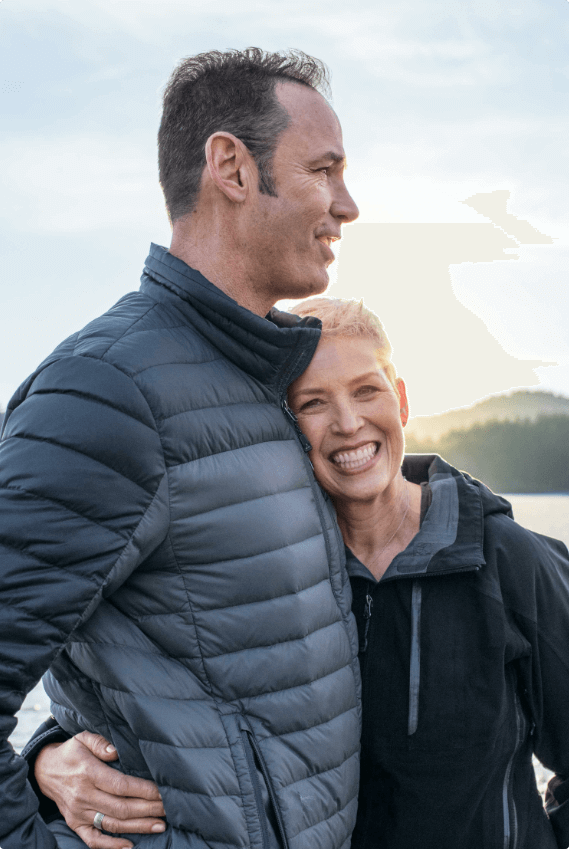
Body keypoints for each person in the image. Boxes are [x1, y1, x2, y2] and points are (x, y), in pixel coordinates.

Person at [38, 297, 569, 849]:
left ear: (402, 401)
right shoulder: (254, 571)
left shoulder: (509, 559)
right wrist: (48, 758)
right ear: (282, 429)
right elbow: (151, 702)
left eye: (367, 390)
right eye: (313, 402)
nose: (347, 422)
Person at [0, 49, 361, 849]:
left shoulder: (262, 380)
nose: (348, 204)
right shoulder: (108, 391)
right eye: (324, 170)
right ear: (231, 166)